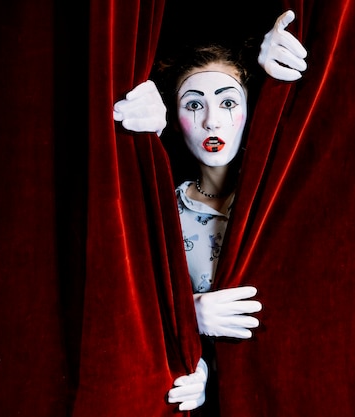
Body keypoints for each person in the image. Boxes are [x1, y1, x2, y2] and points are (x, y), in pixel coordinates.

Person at [113, 10, 307, 413]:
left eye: (228, 102)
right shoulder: (163, 212)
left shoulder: (281, 198)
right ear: (174, 118)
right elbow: (132, 312)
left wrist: (277, 74)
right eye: (193, 104)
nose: (211, 120)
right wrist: (191, 325)